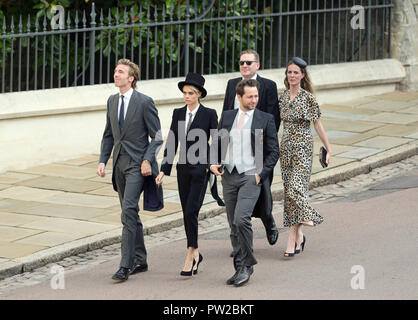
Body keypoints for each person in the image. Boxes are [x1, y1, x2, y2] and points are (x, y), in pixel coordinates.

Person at [97, 58, 163, 281]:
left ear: (131, 78)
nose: (116, 75)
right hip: (119, 166)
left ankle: (125, 265)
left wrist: (147, 160)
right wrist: (102, 161)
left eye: (121, 72)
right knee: (131, 213)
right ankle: (141, 259)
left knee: (127, 212)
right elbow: (108, 134)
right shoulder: (111, 101)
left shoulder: (144, 102)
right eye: (115, 71)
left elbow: (157, 137)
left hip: (138, 166)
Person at [211, 79, 279, 287]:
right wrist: (213, 162)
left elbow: (273, 151)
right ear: (239, 97)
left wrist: (261, 173)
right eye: (250, 96)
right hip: (229, 175)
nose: (254, 100)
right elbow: (217, 143)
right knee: (233, 226)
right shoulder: (228, 116)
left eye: (256, 96)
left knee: (242, 220)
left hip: (251, 175)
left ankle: (247, 265)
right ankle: (239, 266)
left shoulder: (264, 119)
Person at [155, 72, 219, 276]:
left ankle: (190, 253)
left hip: (201, 170)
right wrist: (164, 170)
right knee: (186, 212)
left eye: (191, 93)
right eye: (185, 93)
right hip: (183, 170)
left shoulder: (209, 114)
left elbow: (217, 142)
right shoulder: (178, 113)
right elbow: (172, 141)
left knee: (192, 211)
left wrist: (213, 164)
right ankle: (196, 252)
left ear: (199, 94)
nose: (187, 96)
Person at [222, 49, 280, 250]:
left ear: (257, 64)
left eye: (248, 62)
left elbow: (274, 118)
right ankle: (240, 245)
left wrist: (262, 151)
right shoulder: (232, 85)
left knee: (262, 195)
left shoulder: (269, 86)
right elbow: (226, 116)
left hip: (260, 153)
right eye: (241, 63)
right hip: (235, 156)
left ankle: (268, 221)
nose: (244, 66)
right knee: (238, 206)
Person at [279, 57, 331, 258]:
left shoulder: (308, 98)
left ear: (302, 75)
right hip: (286, 150)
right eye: (289, 72)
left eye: (295, 72)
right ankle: (296, 236)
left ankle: (308, 217)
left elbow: (317, 124)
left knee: (295, 189)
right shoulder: (282, 97)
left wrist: (328, 148)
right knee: (288, 194)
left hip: (303, 148)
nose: (292, 76)